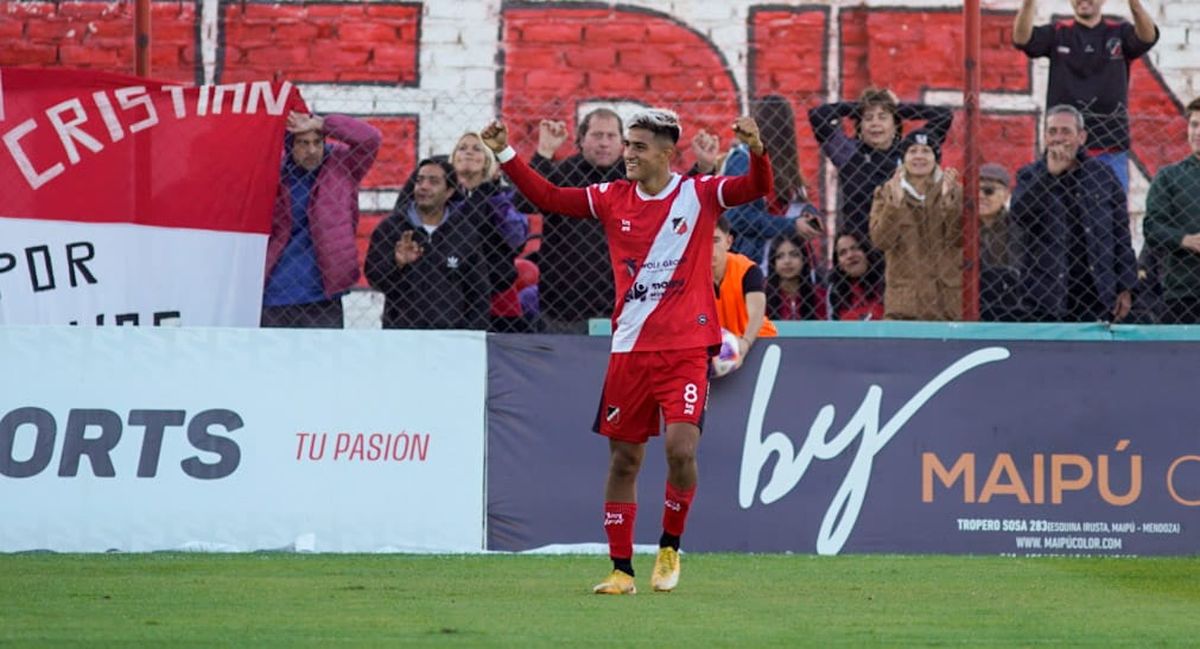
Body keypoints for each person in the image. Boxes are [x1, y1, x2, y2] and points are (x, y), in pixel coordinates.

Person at [480, 109, 772, 595]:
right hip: (630, 350)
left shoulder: (697, 193)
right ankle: (621, 569)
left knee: (682, 449)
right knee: (624, 461)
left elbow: (753, 189)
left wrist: (758, 152)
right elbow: (548, 198)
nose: (627, 154)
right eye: (627, 145)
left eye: (637, 146)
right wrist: (505, 151)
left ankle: (669, 547)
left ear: (664, 152)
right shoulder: (611, 198)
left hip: (683, 350)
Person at [1012, 0, 1158, 189]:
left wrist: (1134, 4)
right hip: (1063, 148)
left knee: (1110, 212)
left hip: (1110, 146)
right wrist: (1029, 4)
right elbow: (1022, 39)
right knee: (1059, 213)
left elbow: (1147, 37)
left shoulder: (1119, 33)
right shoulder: (1059, 32)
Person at [1010, 105, 1137, 322]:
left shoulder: (1103, 176)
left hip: (1096, 296)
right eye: (1052, 132)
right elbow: (1020, 215)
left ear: (1082, 136)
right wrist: (1048, 176)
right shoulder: (1029, 175)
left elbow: (1121, 235)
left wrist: (1126, 287)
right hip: (1044, 298)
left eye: (1066, 131)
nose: (1058, 138)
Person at [262, 112, 381, 328]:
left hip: (323, 293)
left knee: (323, 360)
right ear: (290, 146)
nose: (312, 151)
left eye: (318, 142)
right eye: (303, 143)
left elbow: (370, 139)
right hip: (276, 290)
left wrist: (324, 123)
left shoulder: (343, 165)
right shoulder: (275, 173)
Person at [364, 158, 513, 329]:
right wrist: (397, 264)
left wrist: (470, 335)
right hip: (401, 335)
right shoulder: (391, 227)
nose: (424, 186)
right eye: (419, 181)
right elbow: (375, 279)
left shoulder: (464, 232)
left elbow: (479, 293)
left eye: (433, 182)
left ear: (449, 191)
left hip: (452, 338)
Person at [523, 109, 627, 333]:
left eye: (611, 136)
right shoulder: (562, 174)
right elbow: (524, 202)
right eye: (597, 135)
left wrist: (703, 168)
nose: (604, 143)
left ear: (622, 143)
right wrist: (544, 152)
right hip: (563, 311)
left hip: (625, 310)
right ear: (581, 140)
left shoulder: (636, 178)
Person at [694, 96, 824, 268]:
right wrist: (792, 225)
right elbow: (738, 218)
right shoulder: (743, 159)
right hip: (756, 262)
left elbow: (790, 203)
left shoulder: (785, 162)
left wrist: (808, 214)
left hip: (787, 264)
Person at [808, 88, 953, 239]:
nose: (875, 123)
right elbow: (819, 115)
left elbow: (943, 116)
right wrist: (859, 107)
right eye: (868, 118)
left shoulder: (911, 153)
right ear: (860, 127)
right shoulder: (848, 152)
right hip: (860, 244)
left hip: (901, 245)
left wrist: (897, 109)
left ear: (895, 126)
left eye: (882, 117)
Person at [869, 130, 964, 321]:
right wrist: (894, 206)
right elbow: (881, 241)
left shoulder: (955, 190)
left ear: (936, 158)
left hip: (946, 302)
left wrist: (948, 202)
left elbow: (959, 238)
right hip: (904, 306)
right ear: (904, 157)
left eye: (926, 151)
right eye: (913, 151)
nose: (919, 156)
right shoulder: (886, 192)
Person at [450, 132, 529, 332]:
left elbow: (516, 238)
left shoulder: (502, 197)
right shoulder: (443, 198)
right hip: (448, 294)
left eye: (477, 149)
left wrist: (494, 199)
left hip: (497, 296)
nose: (468, 152)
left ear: (488, 161)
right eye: (462, 148)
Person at [1143, 98, 1200, 324]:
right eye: (1194, 125)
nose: (1197, 132)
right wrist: (1185, 240)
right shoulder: (1170, 177)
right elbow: (1152, 227)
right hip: (1182, 292)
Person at [712, 217, 778, 362]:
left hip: (758, 342)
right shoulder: (693, 275)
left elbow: (757, 312)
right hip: (723, 350)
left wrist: (745, 342)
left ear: (728, 242)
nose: (710, 248)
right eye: (703, 241)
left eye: (716, 240)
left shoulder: (747, 269)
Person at [978, 163, 1023, 321]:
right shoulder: (959, 226)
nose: (980, 196)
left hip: (1011, 305)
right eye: (975, 190)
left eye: (988, 191)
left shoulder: (1019, 227)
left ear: (1005, 195)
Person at [827, 231, 886, 321]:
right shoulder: (834, 292)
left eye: (855, 248)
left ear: (866, 253)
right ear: (839, 265)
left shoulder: (885, 282)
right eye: (843, 253)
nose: (850, 256)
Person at [765, 232, 819, 321]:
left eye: (794, 255)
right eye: (780, 256)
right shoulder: (761, 299)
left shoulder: (820, 296)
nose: (787, 261)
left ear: (804, 260)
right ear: (773, 263)